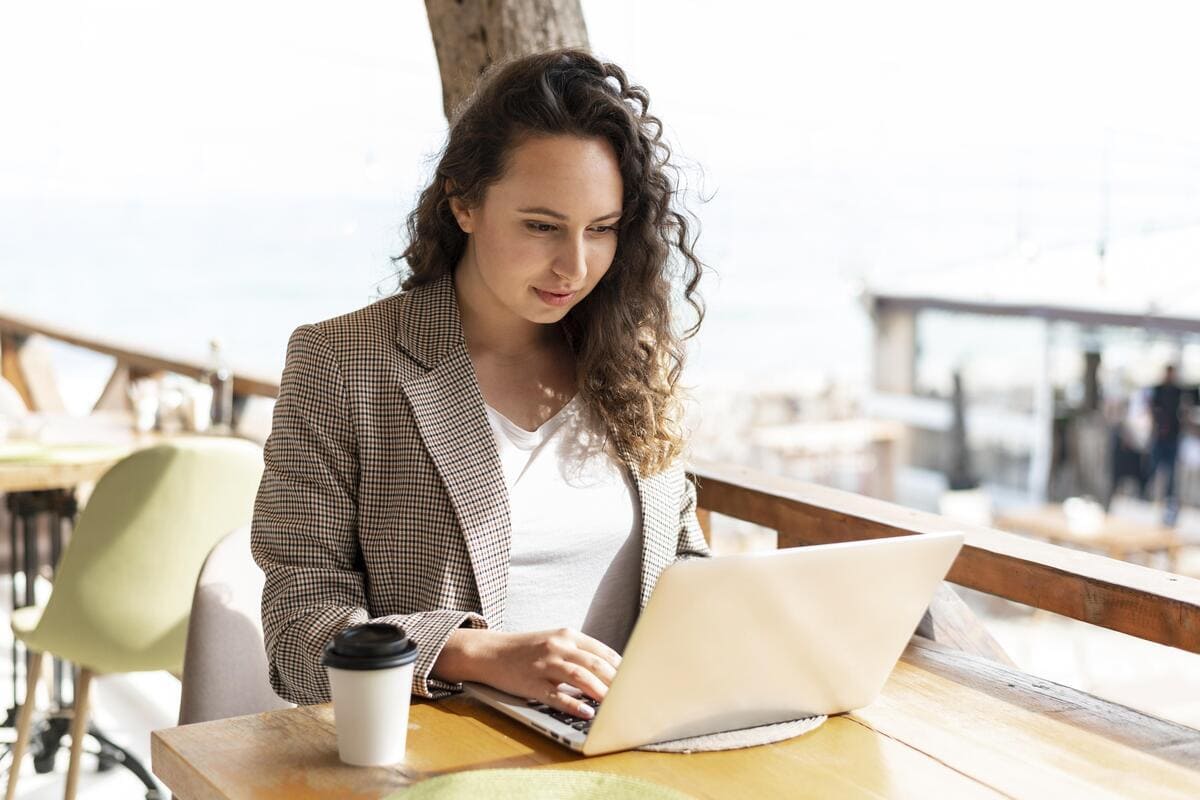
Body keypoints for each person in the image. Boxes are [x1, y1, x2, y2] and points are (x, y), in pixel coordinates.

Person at [251, 48, 711, 722]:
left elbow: (679, 558)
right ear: (462, 203)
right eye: (542, 226)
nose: (576, 266)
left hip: (632, 745)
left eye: (603, 230)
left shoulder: (634, 361)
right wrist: (475, 654)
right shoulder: (343, 365)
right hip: (443, 760)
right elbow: (297, 632)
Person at [1145, 364, 1186, 525]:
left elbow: (1183, 410)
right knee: (1154, 467)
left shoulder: (1178, 391)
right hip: (1160, 436)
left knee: (1171, 472)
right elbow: (1151, 408)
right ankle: (1150, 496)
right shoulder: (1158, 390)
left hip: (1172, 437)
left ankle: (1168, 501)